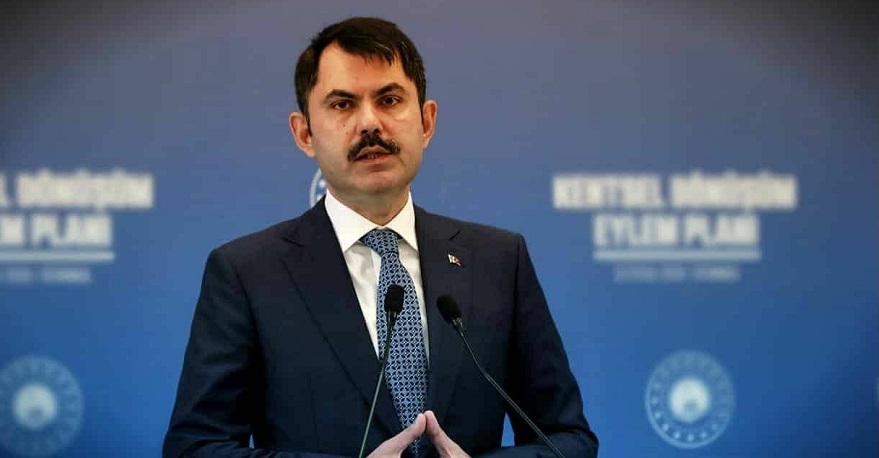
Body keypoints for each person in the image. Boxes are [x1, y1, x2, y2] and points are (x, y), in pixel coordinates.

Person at [163, 16, 598, 458]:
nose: (370, 123)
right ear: (304, 133)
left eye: (389, 100)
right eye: (342, 104)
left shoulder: (499, 261)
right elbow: (195, 448)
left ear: (426, 122)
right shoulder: (247, 274)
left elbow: (569, 439)